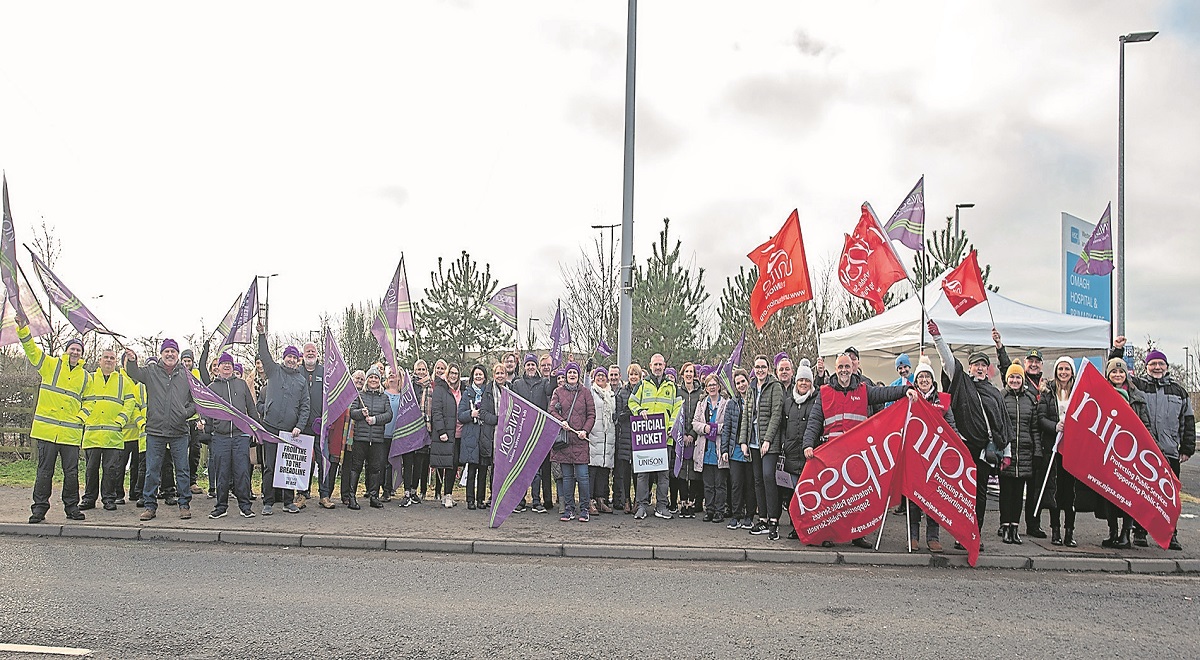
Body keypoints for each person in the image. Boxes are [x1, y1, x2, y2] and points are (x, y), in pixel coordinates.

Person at [803, 353, 916, 547]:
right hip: (832, 455)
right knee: (833, 498)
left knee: (857, 498)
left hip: (857, 455)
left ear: (853, 368)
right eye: (840, 367)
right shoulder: (824, 392)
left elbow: (885, 393)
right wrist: (808, 444)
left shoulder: (864, 390)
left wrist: (906, 390)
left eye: (847, 367)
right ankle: (829, 534)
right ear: (835, 369)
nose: (844, 371)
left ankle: (857, 535)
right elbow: (814, 420)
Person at [928, 320, 1012, 552]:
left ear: (988, 369)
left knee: (980, 495)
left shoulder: (994, 393)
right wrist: (938, 338)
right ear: (970, 367)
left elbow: (1003, 424)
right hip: (963, 448)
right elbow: (948, 362)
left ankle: (974, 534)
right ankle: (960, 533)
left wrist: (1006, 453)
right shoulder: (962, 383)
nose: (980, 368)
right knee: (961, 494)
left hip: (984, 452)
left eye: (983, 365)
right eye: (976, 365)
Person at [1109, 339, 1194, 550]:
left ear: (1166, 366)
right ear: (1146, 366)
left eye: (1160, 364)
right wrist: (1117, 350)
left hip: (1169, 451)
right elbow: (1115, 372)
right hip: (1143, 452)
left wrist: (1187, 448)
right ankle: (1140, 532)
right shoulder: (1138, 387)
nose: (1157, 367)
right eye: (1153, 364)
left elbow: (1188, 421)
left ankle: (1171, 534)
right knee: (1142, 493)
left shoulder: (1179, 391)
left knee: (1169, 497)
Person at [16, 316, 89, 524]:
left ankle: (72, 507)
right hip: (47, 432)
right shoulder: (50, 365)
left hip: (70, 434)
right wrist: (23, 329)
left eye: (78, 350)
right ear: (66, 351)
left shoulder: (86, 376)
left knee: (71, 473)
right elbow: (31, 350)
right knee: (44, 472)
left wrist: (81, 417)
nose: (75, 352)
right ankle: (39, 509)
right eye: (72, 348)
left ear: (82, 354)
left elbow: (90, 402)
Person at [124, 340, 198, 521]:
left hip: (179, 430)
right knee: (152, 470)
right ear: (161, 354)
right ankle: (150, 506)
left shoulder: (187, 375)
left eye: (173, 351)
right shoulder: (151, 371)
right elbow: (134, 372)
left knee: (182, 470)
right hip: (155, 430)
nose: (170, 354)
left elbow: (195, 401)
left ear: (177, 354)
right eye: (167, 351)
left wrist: (185, 413)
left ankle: (184, 505)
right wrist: (132, 360)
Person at [993, 330, 1051, 539]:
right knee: (1009, 489)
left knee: (1033, 489)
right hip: (1012, 447)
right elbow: (1006, 367)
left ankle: (1032, 524)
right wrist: (1000, 346)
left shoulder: (1047, 385)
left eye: (1037, 362)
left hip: (1035, 444)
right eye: (1030, 361)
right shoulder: (1012, 387)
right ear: (1025, 364)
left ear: (1041, 365)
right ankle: (1005, 524)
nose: (1034, 365)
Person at [256, 324, 311, 514]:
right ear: (284, 358)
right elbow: (264, 354)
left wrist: (299, 426)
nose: (292, 360)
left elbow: (305, 406)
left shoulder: (301, 381)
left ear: (298, 361)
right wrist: (261, 335)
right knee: (270, 467)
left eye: (295, 358)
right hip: (270, 427)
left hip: (290, 431)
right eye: (289, 357)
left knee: (288, 467)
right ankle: (268, 502)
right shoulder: (273, 370)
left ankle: (288, 502)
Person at [1098, 358, 1150, 549]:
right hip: (1108, 451)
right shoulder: (1101, 394)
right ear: (1108, 375)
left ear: (1126, 374)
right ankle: (1112, 532)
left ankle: (1125, 534)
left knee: (1129, 494)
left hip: (1130, 453)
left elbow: (1145, 425)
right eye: (1114, 372)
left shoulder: (1137, 397)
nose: (1118, 375)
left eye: (1121, 372)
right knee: (1109, 494)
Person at [79, 348, 137, 512]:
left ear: (115, 362)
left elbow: (130, 402)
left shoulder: (123, 381)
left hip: (113, 433)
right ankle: (89, 498)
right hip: (93, 433)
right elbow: (80, 398)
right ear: (100, 360)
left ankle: (109, 498)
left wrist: (121, 420)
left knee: (111, 470)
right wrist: (83, 417)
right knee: (91, 469)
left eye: (112, 358)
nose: (109, 360)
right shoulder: (89, 378)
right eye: (106, 357)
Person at [906, 361, 956, 552]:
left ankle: (933, 537)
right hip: (914, 456)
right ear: (916, 381)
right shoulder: (908, 399)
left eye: (927, 376)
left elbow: (951, 427)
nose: (924, 380)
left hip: (935, 457)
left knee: (934, 499)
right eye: (921, 377)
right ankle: (913, 537)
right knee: (914, 499)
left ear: (933, 380)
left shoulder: (943, 400)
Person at [203, 352, 259, 519]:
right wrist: (205, 427)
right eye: (223, 363)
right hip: (220, 437)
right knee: (222, 473)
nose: (227, 366)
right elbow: (207, 412)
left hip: (241, 436)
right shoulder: (211, 388)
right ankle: (221, 507)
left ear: (233, 367)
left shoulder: (241, 385)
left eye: (229, 363)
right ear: (218, 368)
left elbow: (251, 408)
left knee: (242, 472)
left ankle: (245, 506)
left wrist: (256, 429)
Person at [629, 353, 681, 520]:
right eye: (655, 364)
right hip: (645, 438)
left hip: (665, 437)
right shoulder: (642, 384)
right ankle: (642, 506)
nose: (658, 367)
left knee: (663, 474)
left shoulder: (672, 387)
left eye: (660, 364)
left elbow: (678, 409)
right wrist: (639, 411)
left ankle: (661, 506)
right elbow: (632, 402)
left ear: (664, 366)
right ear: (650, 366)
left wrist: (671, 428)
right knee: (643, 474)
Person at [738, 354, 784, 537]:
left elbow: (776, 414)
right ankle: (763, 518)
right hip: (753, 441)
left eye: (763, 367)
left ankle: (773, 520)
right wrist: (743, 441)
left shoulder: (775, 386)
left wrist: (768, 440)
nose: (760, 370)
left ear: (768, 368)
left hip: (768, 443)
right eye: (757, 367)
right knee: (757, 480)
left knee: (768, 477)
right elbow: (747, 416)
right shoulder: (751, 388)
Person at [997, 361, 1040, 545]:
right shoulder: (1001, 397)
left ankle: (1015, 527)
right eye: (1012, 377)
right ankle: (1005, 526)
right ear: (1007, 379)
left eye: (1018, 377)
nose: (1015, 380)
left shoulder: (1029, 399)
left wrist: (1037, 451)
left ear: (1022, 380)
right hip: (1007, 452)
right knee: (1006, 492)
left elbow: (1034, 428)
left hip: (1024, 452)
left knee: (1018, 494)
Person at [550, 362, 597, 522]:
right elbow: (551, 410)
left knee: (583, 477)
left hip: (580, 441)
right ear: (566, 375)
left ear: (578, 375)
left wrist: (585, 430)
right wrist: (561, 421)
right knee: (567, 478)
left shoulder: (585, 393)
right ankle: (569, 509)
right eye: (569, 372)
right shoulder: (558, 392)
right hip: (564, 442)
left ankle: (584, 509)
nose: (572, 375)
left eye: (574, 372)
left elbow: (591, 414)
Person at [1039, 356, 1077, 546]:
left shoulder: (1079, 392)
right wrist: (1054, 426)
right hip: (1053, 447)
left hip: (1072, 449)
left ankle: (1069, 531)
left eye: (1067, 369)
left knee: (1069, 493)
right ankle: (1055, 530)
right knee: (1054, 491)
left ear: (1072, 372)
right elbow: (1041, 417)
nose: (1063, 372)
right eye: (1060, 369)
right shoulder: (1048, 393)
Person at [510, 353, 554, 513]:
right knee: (521, 468)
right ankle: (520, 500)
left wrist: (554, 375)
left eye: (533, 365)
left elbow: (551, 390)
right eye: (528, 364)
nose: (530, 367)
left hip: (537, 431)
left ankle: (536, 500)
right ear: (524, 366)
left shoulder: (544, 383)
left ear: (536, 367)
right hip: (522, 431)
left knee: (536, 469)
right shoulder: (517, 384)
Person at [781, 361, 819, 540]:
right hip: (791, 455)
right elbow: (783, 427)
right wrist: (784, 444)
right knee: (795, 494)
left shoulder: (817, 401)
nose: (803, 383)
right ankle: (797, 526)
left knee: (809, 494)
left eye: (807, 380)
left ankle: (812, 527)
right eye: (801, 380)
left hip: (809, 456)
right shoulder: (788, 402)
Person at [346, 366, 393, 510]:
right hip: (361, 438)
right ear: (367, 380)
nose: (373, 380)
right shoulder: (359, 395)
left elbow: (389, 415)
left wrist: (375, 420)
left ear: (380, 380)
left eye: (376, 377)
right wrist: (361, 412)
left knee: (375, 468)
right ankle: (352, 497)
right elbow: (352, 412)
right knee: (356, 467)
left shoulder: (384, 397)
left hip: (377, 439)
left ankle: (374, 496)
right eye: (371, 377)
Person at [458, 365, 497, 510]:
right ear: (472, 377)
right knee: (472, 469)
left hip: (485, 435)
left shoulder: (489, 393)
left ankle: (481, 499)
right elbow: (460, 415)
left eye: (481, 374)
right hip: (471, 435)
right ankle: (470, 499)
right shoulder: (467, 393)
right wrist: (471, 414)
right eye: (476, 374)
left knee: (483, 469)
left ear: (485, 377)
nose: (478, 377)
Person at [693, 373, 729, 525]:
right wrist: (705, 428)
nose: (712, 387)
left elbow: (729, 424)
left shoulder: (726, 403)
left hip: (719, 449)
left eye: (714, 384)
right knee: (708, 484)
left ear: (719, 386)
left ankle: (719, 511)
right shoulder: (701, 404)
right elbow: (695, 423)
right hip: (705, 449)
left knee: (720, 484)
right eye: (709, 385)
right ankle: (709, 510)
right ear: (706, 388)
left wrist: (716, 428)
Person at [723, 368, 755, 531]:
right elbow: (727, 428)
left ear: (748, 382)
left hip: (751, 449)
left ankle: (749, 516)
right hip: (735, 450)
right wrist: (724, 449)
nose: (741, 385)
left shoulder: (755, 401)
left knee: (750, 484)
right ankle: (736, 515)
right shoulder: (731, 404)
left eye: (743, 381)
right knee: (736, 484)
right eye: (738, 383)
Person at [400, 360, 432, 507]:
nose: (420, 372)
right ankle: (406, 491)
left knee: (419, 462)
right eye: (418, 369)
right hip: (410, 428)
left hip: (424, 429)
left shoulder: (430, 386)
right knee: (408, 462)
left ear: (427, 371)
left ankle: (414, 490)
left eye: (423, 369)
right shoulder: (408, 385)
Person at [430, 363, 462, 508]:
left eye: (456, 373)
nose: (453, 376)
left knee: (454, 464)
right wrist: (441, 431)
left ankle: (448, 494)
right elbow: (436, 411)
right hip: (445, 433)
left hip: (459, 433)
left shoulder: (462, 389)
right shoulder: (440, 389)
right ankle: (444, 494)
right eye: (451, 373)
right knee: (445, 463)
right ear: (447, 374)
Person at [676, 362, 704, 518]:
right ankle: (683, 502)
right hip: (680, 436)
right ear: (682, 374)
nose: (688, 374)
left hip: (696, 437)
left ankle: (691, 503)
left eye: (691, 372)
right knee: (681, 470)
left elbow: (701, 416)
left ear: (694, 374)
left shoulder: (700, 394)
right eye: (686, 371)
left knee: (693, 471)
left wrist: (692, 434)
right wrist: (682, 435)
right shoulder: (677, 392)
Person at [587, 367, 616, 514]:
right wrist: (587, 373)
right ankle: (589, 500)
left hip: (608, 436)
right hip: (594, 434)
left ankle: (600, 499)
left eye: (603, 375)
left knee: (604, 471)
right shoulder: (591, 391)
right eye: (598, 375)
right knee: (592, 470)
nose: (601, 378)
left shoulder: (611, 393)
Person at [299, 341, 324, 507]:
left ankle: (324, 495)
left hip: (320, 425)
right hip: (301, 426)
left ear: (317, 354)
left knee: (322, 461)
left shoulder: (324, 371)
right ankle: (301, 494)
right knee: (303, 462)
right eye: (307, 351)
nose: (310, 353)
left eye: (313, 351)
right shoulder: (297, 372)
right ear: (303, 354)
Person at [116, 373, 147, 507]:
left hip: (139, 435)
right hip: (123, 434)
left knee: (137, 466)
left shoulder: (140, 381)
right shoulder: (121, 380)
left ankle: (134, 492)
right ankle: (118, 494)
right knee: (119, 466)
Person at [612, 364, 639, 514]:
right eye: (631, 374)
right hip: (625, 437)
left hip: (640, 437)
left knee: (638, 472)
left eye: (636, 374)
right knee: (625, 472)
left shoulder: (644, 391)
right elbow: (617, 417)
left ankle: (637, 500)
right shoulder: (622, 393)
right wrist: (627, 412)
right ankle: (626, 499)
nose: (633, 377)